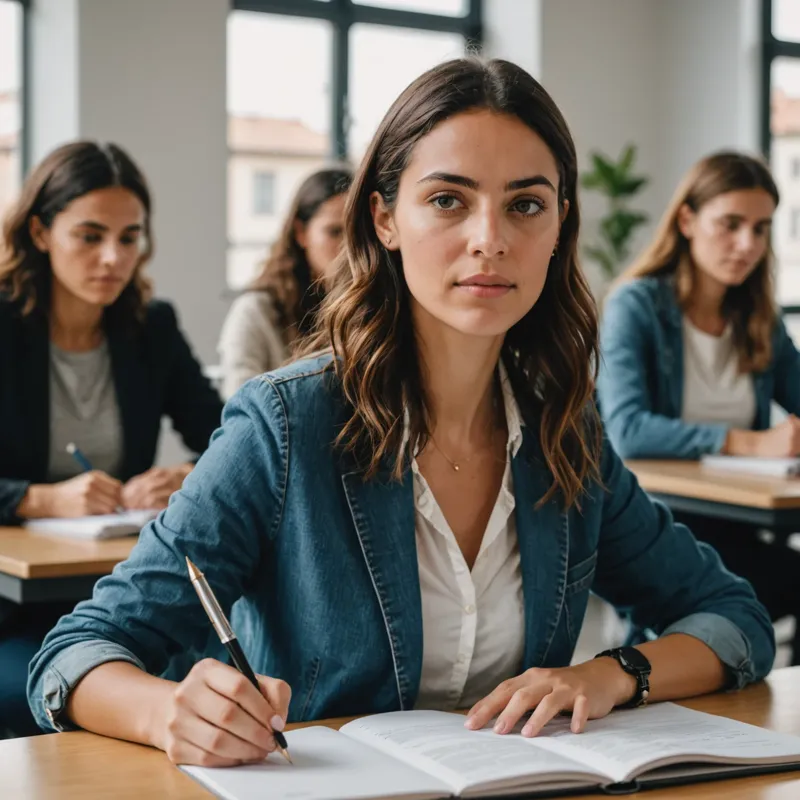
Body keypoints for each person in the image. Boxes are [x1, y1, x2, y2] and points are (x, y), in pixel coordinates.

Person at [29, 61, 772, 766]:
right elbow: (76, 652)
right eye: (448, 200)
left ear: (558, 227)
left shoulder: (562, 431)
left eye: (526, 204)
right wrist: (170, 713)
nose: (492, 238)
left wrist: (610, 676)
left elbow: (733, 617)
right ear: (384, 217)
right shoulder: (286, 423)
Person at [0, 141, 223, 736]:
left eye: (129, 238)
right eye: (90, 235)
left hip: (115, 591)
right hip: (10, 605)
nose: (112, 258)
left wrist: (187, 474)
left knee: (208, 672)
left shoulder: (150, 327)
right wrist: (37, 498)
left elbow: (226, 435)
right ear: (43, 232)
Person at [597, 150, 800, 664]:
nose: (747, 244)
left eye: (761, 228)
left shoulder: (756, 316)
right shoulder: (637, 306)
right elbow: (629, 431)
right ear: (687, 219)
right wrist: (751, 442)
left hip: (742, 518)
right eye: (730, 224)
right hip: (662, 523)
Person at [217, 166, 352, 399]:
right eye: (334, 232)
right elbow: (242, 412)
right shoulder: (256, 311)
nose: (347, 249)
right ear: (301, 232)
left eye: (357, 233)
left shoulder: (377, 307)